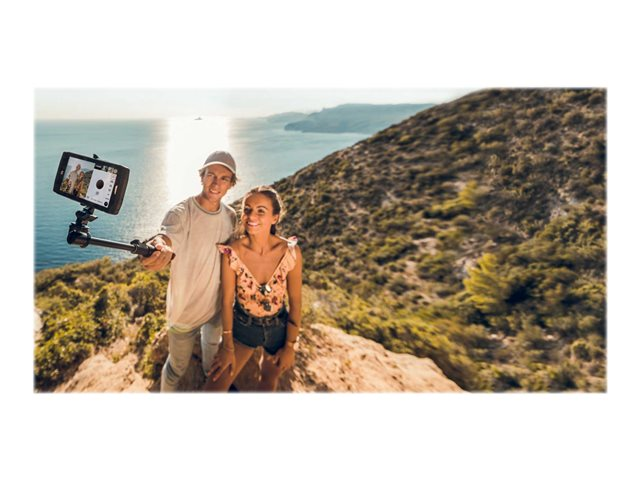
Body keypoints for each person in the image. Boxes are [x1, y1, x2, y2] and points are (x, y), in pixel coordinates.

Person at [140, 151, 238, 392]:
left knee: (211, 356)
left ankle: (209, 382)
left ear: (231, 184)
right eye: (211, 175)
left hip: (216, 309)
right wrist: (159, 247)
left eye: (224, 178)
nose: (216, 183)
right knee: (176, 368)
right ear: (201, 176)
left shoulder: (230, 216)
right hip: (184, 312)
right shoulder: (181, 213)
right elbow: (166, 237)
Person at [204, 186, 303, 392]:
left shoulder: (290, 253)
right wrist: (227, 346)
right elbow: (226, 301)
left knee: (268, 381)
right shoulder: (232, 252)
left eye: (260, 211)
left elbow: (296, 301)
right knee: (213, 389)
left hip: (279, 328)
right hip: (243, 328)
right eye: (247, 210)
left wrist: (290, 346)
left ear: (275, 218)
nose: (251, 216)